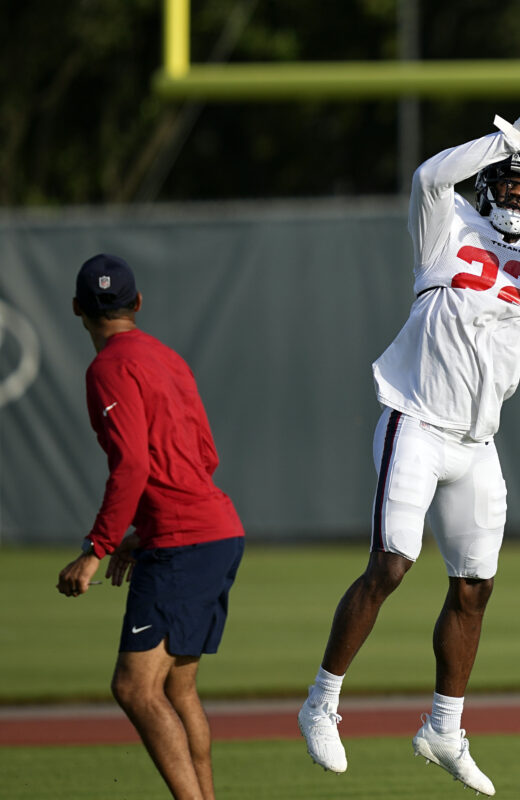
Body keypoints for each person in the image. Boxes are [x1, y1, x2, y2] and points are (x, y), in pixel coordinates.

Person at [298, 107, 520, 795]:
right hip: (414, 419)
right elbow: (428, 178)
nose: (519, 195)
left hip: (477, 443)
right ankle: (322, 699)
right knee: (392, 563)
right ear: (489, 186)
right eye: (510, 184)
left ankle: (444, 727)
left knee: (475, 587)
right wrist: (517, 135)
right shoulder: (448, 230)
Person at [56, 254, 246, 800]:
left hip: (186, 543)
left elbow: (134, 464)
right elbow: (204, 453)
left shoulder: (107, 368)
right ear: (137, 304)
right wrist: (149, 530)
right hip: (217, 530)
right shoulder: (167, 357)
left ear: (77, 310)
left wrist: (98, 547)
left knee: (135, 687)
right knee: (177, 688)